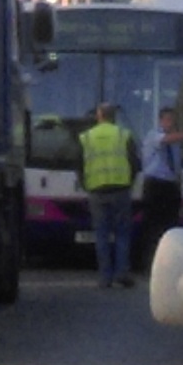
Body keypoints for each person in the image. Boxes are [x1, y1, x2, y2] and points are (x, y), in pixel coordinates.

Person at [79, 101, 138, 287]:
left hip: (96, 191)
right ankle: (122, 273)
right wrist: (129, 182)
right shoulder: (123, 135)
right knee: (122, 233)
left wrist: (87, 185)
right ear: (114, 116)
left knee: (101, 234)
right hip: (120, 189)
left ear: (99, 115)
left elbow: (78, 165)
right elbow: (135, 163)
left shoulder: (86, 137)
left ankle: (105, 277)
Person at [137, 111, 183, 259]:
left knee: (171, 224)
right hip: (155, 185)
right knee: (153, 224)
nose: (170, 123)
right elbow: (166, 140)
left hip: (170, 186)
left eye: (172, 120)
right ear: (160, 121)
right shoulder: (153, 135)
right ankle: (150, 258)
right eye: (167, 120)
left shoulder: (175, 143)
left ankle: (167, 257)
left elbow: (177, 163)